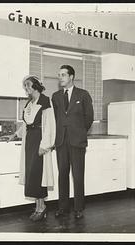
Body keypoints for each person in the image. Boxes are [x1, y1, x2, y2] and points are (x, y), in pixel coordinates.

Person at [8, 75, 56, 221]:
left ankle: (41, 207)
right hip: (29, 142)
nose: (26, 88)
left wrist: (45, 145)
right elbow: (26, 124)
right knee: (32, 175)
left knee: (38, 174)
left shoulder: (45, 101)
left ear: (36, 86)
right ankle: (38, 206)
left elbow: (50, 125)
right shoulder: (30, 103)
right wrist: (16, 134)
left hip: (40, 141)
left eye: (28, 85)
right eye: (25, 86)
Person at [52, 65, 94, 219]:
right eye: (59, 75)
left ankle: (78, 208)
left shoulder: (83, 94)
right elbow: (55, 119)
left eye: (63, 74)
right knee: (62, 174)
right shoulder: (55, 96)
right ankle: (63, 208)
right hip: (61, 141)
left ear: (71, 77)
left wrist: (80, 132)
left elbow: (88, 118)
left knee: (77, 175)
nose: (60, 77)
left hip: (77, 141)